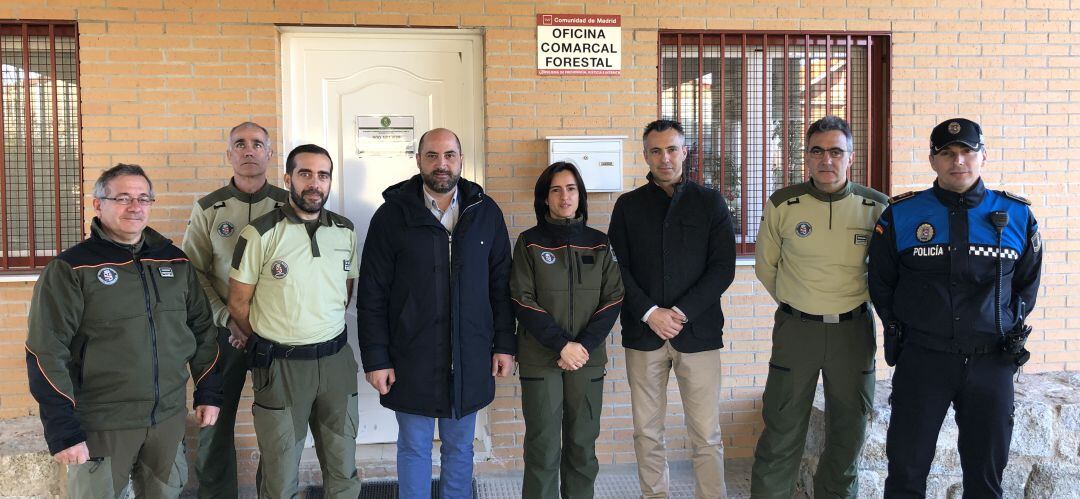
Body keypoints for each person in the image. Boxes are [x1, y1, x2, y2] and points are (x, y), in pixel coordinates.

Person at [868, 118, 1042, 498]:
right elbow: (881, 283)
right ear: (933, 160)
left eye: (967, 151)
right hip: (924, 361)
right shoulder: (901, 215)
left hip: (991, 362)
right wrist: (904, 329)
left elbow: (1027, 285)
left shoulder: (1017, 216)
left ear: (983, 156)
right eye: (946, 153)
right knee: (905, 474)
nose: (957, 160)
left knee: (985, 479)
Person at [26, 163, 222, 498]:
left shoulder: (174, 262)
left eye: (144, 198)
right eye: (123, 198)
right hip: (102, 425)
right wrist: (62, 429)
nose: (135, 206)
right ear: (98, 204)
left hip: (167, 421)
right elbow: (46, 350)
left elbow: (202, 330)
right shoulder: (72, 268)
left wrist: (209, 392)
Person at [357, 128, 515, 499]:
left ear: (461, 160)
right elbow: (372, 294)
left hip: (470, 355)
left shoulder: (485, 212)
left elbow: (501, 287)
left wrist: (504, 344)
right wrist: (376, 359)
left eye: (449, 155)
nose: (441, 164)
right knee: (414, 448)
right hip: (411, 356)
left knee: (460, 448)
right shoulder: (392, 215)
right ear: (418, 160)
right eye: (432, 155)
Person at [750, 116, 889, 498]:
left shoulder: (875, 206)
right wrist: (802, 303)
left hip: (853, 332)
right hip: (798, 331)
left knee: (849, 432)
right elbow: (767, 268)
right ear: (806, 158)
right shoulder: (783, 204)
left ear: (850, 158)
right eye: (817, 151)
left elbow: (885, 274)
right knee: (781, 429)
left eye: (835, 151)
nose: (826, 159)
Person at [608, 119, 737, 499]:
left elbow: (722, 268)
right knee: (647, 431)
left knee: (706, 434)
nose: (664, 158)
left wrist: (678, 313)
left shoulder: (710, 202)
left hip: (697, 334)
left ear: (685, 151)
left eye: (671, 149)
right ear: (645, 154)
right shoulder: (628, 206)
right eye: (655, 151)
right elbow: (617, 269)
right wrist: (650, 313)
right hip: (643, 334)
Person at [227, 144, 361, 498]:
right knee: (281, 472)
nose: (314, 183)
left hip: (336, 363)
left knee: (343, 466)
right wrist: (270, 338)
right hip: (282, 368)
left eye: (323, 175)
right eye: (305, 174)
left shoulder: (345, 232)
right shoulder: (259, 233)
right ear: (288, 178)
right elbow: (238, 302)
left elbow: (344, 293)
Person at [182, 121, 287, 498]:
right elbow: (192, 272)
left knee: (278, 428)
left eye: (257, 144)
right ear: (229, 154)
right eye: (239, 144)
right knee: (214, 422)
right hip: (222, 334)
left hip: (275, 334)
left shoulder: (287, 206)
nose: (248, 150)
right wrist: (227, 317)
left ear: (269, 154)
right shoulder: (209, 208)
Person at [511, 162, 624, 498]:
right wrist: (562, 345)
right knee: (543, 447)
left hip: (586, 360)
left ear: (581, 195)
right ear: (545, 198)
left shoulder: (599, 243)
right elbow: (521, 297)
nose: (565, 196)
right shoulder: (529, 242)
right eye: (556, 190)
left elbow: (613, 297)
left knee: (581, 446)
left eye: (571, 188)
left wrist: (581, 347)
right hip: (541, 357)